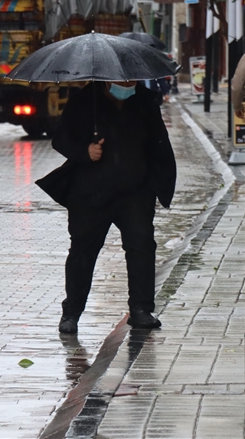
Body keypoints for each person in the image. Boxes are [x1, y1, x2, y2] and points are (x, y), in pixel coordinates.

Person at [50, 80, 176, 334]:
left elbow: (158, 143)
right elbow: (60, 139)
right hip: (90, 194)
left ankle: (141, 309)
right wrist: (85, 150)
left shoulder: (145, 100)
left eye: (132, 79)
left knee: (141, 247)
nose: (128, 83)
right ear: (108, 78)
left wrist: (156, 186)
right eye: (123, 79)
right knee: (82, 253)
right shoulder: (85, 99)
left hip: (135, 193)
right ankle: (71, 313)